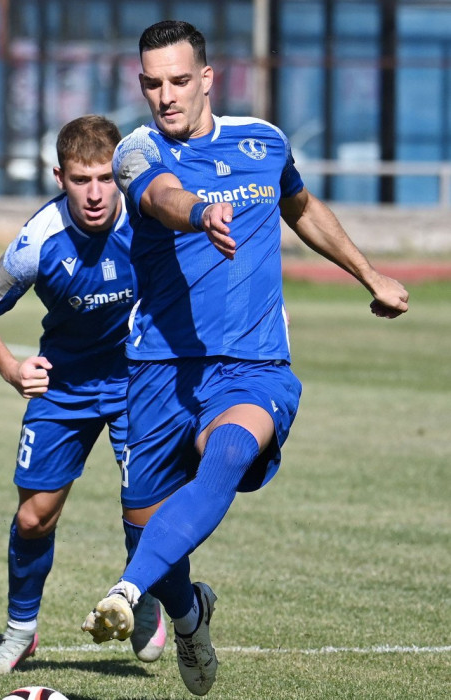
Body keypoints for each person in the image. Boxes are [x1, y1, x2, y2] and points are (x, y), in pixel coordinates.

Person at [79, 20, 409, 696]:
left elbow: (302, 206)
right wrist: (201, 213)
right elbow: (160, 200)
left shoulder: (264, 141)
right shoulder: (136, 151)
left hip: (253, 365)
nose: (164, 96)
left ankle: (126, 590)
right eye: (151, 83)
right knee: (144, 524)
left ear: (207, 78)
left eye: (177, 81)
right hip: (160, 369)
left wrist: (369, 274)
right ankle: (188, 610)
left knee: (228, 454)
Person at [0, 115, 166, 675]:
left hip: (136, 381)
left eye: (105, 177)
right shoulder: (37, 241)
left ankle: (143, 596)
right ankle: (20, 633)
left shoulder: (150, 218)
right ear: (59, 176)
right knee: (33, 519)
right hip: (64, 386)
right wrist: (10, 367)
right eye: (80, 179)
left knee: (144, 513)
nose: (95, 193)